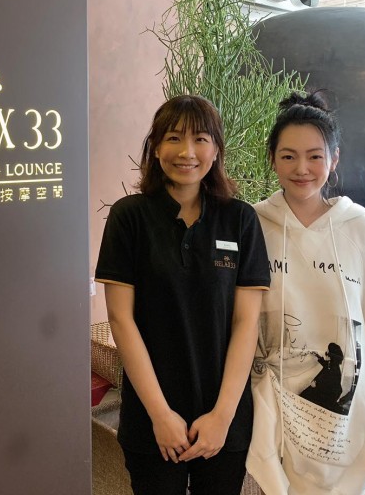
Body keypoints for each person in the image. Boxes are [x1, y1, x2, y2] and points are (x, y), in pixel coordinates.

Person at [246, 91, 365, 495]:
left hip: (345, 417)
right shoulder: (252, 226)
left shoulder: (363, 233)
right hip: (272, 409)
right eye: (288, 156)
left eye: (315, 156)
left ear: (334, 159)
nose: (302, 168)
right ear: (272, 158)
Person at [95, 95, 270, 495]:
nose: (187, 152)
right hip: (151, 413)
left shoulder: (240, 219)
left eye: (201, 139)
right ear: (156, 148)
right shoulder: (129, 217)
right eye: (174, 138)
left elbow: (246, 322)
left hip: (224, 414)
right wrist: (160, 415)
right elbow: (121, 319)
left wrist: (222, 416)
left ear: (216, 149)